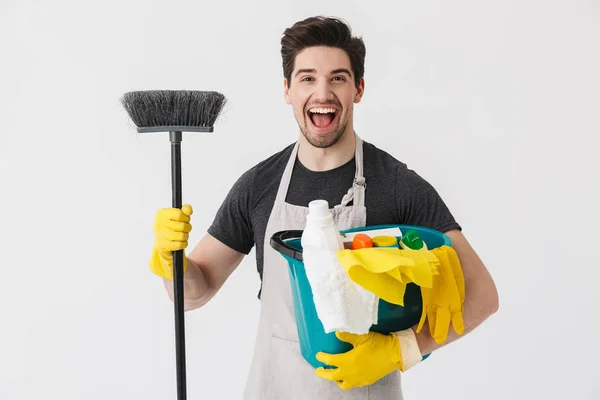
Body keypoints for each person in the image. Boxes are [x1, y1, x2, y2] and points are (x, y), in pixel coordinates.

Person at [149, 16, 499, 399]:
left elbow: (482, 295)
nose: (322, 93)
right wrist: (173, 261)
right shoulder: (259, 185)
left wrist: (402, 349)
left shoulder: (398, 185)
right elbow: (195, 292)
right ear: (287, 90)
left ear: (358, 88)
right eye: (307, 78)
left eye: (337, 78)